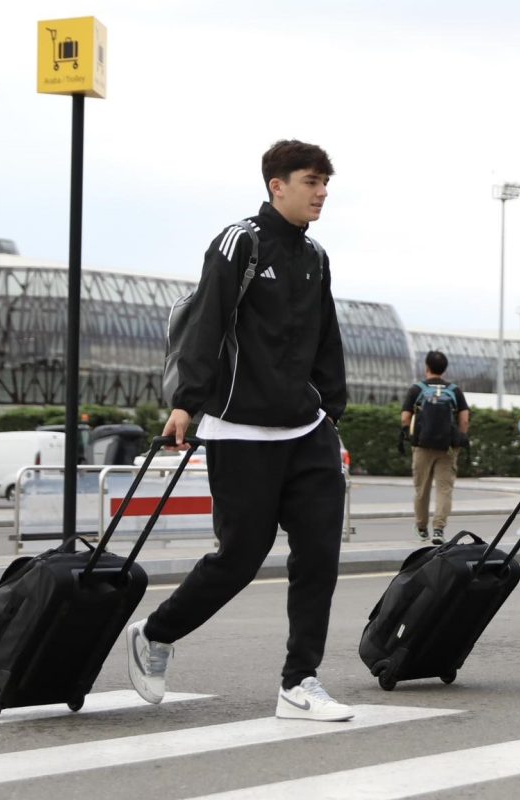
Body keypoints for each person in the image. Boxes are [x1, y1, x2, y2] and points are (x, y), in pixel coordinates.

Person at [126, 139, 354, 722]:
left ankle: (299, 681)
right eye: (312, 181)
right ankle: (155, 632)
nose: (322, 191)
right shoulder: (239, 244)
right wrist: (185, 403)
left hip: (306, 431)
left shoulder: (316, 256)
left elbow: (325, 337)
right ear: (277, 184)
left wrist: (332, 409)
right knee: (239, 559)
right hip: (240, 431)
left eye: (326, 182)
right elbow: (206, 323)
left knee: (319, 556)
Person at [401, 350, 470, 545]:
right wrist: (460, 438)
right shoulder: (454, 391)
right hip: (447, 448)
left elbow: (405, 417)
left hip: (422, 446)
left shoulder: (417, 389)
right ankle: (439, 529)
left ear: (427, 367)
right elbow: (464, 418)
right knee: (444, 489)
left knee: (421, 489)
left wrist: (409, 434)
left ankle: (422, 528)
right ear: (444, 369)